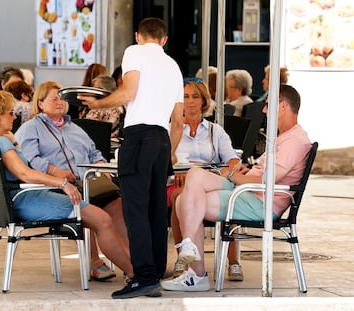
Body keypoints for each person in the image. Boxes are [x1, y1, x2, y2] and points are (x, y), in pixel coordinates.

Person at [0, 90, 134, 284]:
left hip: (16, 201)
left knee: (103, 216)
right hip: (28, 200)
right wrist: (63, 183)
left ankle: (121, 266)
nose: (15, 117)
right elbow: (25, 173)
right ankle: (134, 272)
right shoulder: (1, 143)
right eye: (10, 113)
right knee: (103, 220)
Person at [161, 84, 312, 292]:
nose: (264, 110)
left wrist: (234, 175)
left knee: (184, 200)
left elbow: (267, 181)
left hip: (258, 201)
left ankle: (196, 274)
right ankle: (188, 245)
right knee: (195, 175)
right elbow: (263, 173)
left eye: (268, 105)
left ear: (283, 106)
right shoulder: (286, 136)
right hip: (248, 190)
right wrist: (245, 171)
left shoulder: (294, 140)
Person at [78, 17, 184, 299]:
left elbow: (129, 92)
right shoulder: (173, 66)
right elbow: (179, 122)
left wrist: (99, 103)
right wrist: (169, 149)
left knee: (135, 210)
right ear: (164, 39)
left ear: (138, 36)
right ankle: (155, 273)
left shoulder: (134, 52)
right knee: (155, 210)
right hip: (161, 139)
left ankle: (144, 277)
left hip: (139, 137)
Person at [15, 81, 129, 282]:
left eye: (61, 98)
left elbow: (94, 152)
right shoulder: (31, 128)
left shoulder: (74, 127)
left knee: (118, 206)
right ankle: (95, 262)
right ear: (40, 103)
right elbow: (29, 160)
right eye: (54, 99)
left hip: (89, 181)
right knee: (88, 206)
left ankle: (133, 258)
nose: (60, 102)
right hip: (57, 186)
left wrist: (101, 165)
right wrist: (55, 171)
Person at [168, 77, 242, 279]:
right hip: (177, 181)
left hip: (209, 181)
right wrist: (177, 172)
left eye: (195, 96)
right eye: (185, 96)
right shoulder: (171, 129)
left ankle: (234, 261)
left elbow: (232, 160)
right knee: (178, 197)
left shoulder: (215, 131)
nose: (190, 101)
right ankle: (182, 258)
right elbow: (164, 161)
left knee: (231, 198)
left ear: (203, 101)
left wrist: (227, 169)